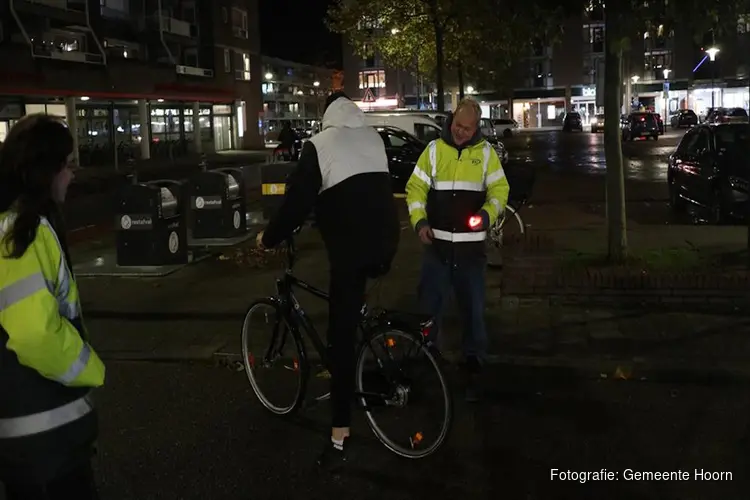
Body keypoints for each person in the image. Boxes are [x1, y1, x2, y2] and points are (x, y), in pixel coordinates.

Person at [256, 92, 399, 469]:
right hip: (387, 241)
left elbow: (296, 203)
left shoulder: (319, 144)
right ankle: (374, 349)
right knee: (357, 306)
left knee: (340, 341)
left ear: (327, 117)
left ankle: (339, 435)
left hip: (351, 252)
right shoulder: (373, 137)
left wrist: (270, 237)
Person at [0, 114, 106, 499]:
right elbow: (34, 333)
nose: (72, 175)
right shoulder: (23, 235)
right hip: (43, 429)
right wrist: (86, 367)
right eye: (66, 165)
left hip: (23, 428)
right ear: (46, 172)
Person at [405, 98, 510, 403]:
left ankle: (475, 360)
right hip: (436, 246)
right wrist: (419, 221)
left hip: (469, 250)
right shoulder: (433, 151)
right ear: (451, 120)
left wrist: (488, 215)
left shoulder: (486, 154)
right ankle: (426, 353)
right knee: (429, 306)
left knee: (473, 307)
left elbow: (500, 190)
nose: (460, 132)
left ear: (477, 127)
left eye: (467, 128)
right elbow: (415, 189)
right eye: (457, 125)